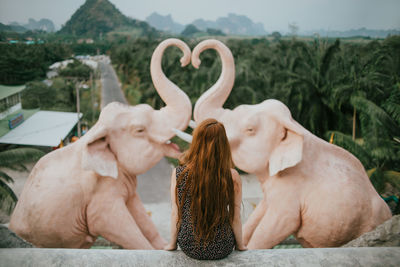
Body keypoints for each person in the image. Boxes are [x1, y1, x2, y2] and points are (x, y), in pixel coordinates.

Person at [164, 118, 247, 260]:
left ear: (196, 142)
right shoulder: (232, 176)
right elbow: (235, 217)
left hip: (190, 246)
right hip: (222, 246)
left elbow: (175, 213)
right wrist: (241, 246)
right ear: (222, 144)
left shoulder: (179, 173)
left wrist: (172, 244)